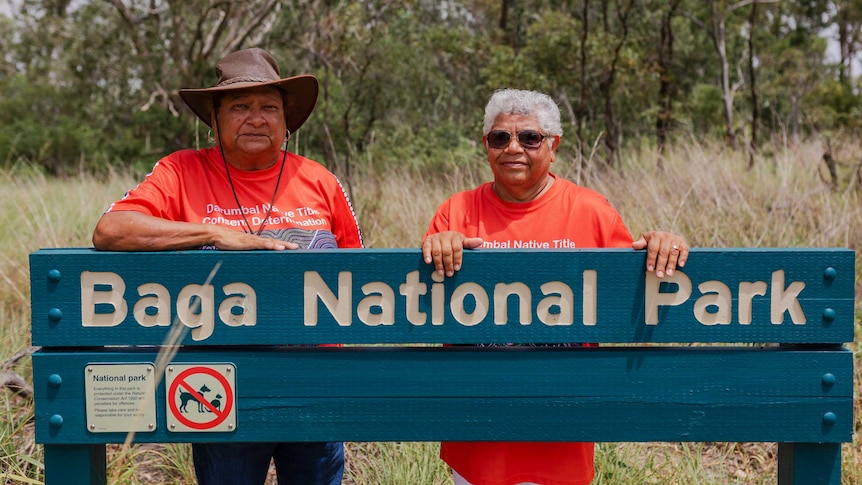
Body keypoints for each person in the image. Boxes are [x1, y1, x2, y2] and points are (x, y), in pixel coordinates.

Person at [93, 47, 362, 485]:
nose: (256, 118)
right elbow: (111, 229)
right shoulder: (180, 171)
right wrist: (211, 234)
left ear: (286, 122)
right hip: (222, 386)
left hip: (314, 385)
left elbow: (362, 277)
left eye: (269, 108)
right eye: (240, 106)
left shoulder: (320, 180)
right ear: (213, 120)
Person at [421, 89, 689, 485]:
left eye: (529, 137)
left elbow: (633, 289)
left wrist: (667, 245)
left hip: (562, 437)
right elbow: (422, 304)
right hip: (480, 443)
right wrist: (437, 246)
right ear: (486, 146)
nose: (513, 148)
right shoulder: (455, 211)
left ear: (553, 146)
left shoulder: (591, 210)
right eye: (500, 138)